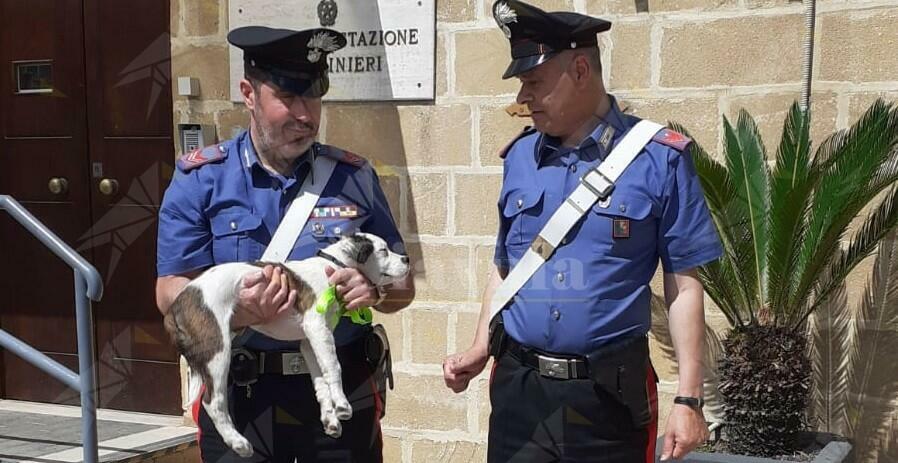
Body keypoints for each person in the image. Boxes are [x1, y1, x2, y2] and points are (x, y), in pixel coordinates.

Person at [443, 1, 722, 462]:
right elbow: (505, 265)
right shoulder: (518, 159)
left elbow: (684, 285)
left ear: (579, 69)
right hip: (520, 391)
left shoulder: (659, 159)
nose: (523, 97)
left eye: (533, 82)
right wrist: (479, 345)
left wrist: (688, 399)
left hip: (608, 396)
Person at [155, 25, 414, 463]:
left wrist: (375, 290)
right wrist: (241, 314)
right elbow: (170, 292)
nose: (306, 115)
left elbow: (404, 286)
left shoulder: (353, 177)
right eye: (288, 98)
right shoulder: (202, 179)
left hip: (340, 385)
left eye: (313, 97)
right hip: (244, 391)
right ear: (249, 94)